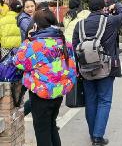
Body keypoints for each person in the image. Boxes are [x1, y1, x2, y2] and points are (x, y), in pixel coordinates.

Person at [14, 8, 77, 146]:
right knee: (51, 126)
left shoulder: (35, 44)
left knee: (42, 130)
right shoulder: (63, 41)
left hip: (41, 93)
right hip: (59, 91)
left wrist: (27, 39)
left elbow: (19, 61)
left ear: (36, 24)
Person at [72, 0, 122, 146]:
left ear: (89, 8)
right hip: (105, 67)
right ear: (103, 7)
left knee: (91, 100)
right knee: (104, 100)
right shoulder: (110, 21)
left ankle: (92, 134)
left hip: (85, 69)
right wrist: (115, 2)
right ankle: (98, 136)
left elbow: (74, 47)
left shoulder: (80, 25)